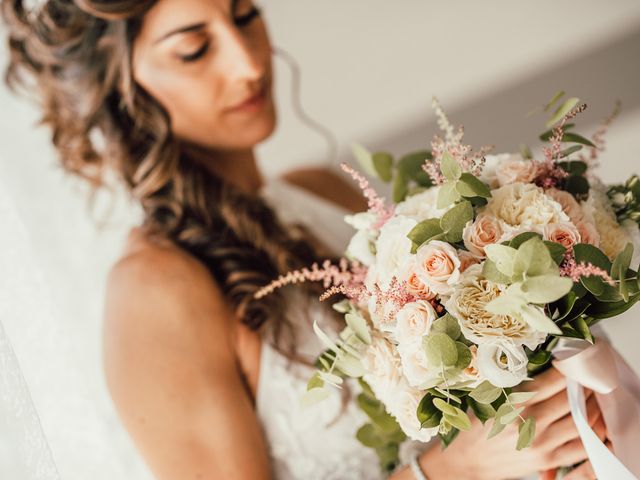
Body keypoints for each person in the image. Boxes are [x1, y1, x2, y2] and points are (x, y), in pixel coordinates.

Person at [1, 0, 608, 478]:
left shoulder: (327, 196)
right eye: (193, 50)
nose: (247, 62)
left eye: (245, 15)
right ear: (122, 92)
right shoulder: (154, 289)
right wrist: (451, 472)